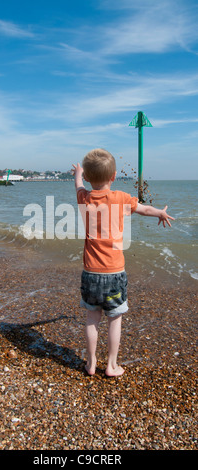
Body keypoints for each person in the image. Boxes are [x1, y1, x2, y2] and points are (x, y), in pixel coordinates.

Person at [72, 148, 174, 377]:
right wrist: (160, 213)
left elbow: (78, 185)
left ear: (88, 178)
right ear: (114, 176)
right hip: (114, 273)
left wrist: (78, 174)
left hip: (90, 272)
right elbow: (144, 209)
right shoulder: (120, 198)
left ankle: (90, 363)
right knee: (114, 320)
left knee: (92, 319)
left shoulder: (84, 198)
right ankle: (111, 365)